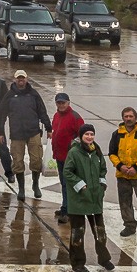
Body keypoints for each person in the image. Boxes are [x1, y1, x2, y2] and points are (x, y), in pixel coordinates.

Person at [63, 124, 114, 272]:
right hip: (79, 199)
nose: (90, 137)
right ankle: (78, 263)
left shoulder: (96, 151)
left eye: (92, 134)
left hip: (95, 198)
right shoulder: (74, 152)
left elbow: (103, 169)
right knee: (77, 233)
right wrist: (81, 185)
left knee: (100, 232)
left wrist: (102, 184)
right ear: (81, 136)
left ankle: (104, 259)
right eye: (86, 134)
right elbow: (67, 171)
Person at [0, 69, 52, 200]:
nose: (21, 80)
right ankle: (21, 188)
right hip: (17, 135)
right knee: (17, 162)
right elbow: (1, 115)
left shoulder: (34, 94)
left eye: (23, 78)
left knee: (36, 161)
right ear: (15, 79)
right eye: (18, 78)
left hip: (33, 132)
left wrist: (48, 127)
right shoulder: (9, 95)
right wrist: (0, 132)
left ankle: (35, 184)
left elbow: (42, 112)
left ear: (27, 79)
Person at [107, 107, 137, 237]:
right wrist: (120, 166)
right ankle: (129, 226)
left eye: (130, 116)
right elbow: (112, 153)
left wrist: (136, 168)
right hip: (122, 176)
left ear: (135, 118)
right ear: (123, 118)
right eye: (126, 116)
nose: (128, 119)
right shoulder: (117, 134)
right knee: (124, 203)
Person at [50, 92, 84, 223]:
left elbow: (83, 136)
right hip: (59, 156)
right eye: (59, 103)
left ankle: (69, 211)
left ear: (68, 103)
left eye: (63, 102)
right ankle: (65, 206)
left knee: (68, 184)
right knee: (64, 183)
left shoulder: (75, 117)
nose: (61, 105)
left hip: (70, 158)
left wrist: (73, 149)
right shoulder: (56, 116)